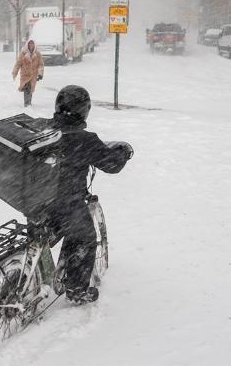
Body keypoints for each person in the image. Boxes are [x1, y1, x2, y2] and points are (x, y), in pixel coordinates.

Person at [45, 85, 133, 304]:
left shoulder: (44, 130)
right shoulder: (84, 140)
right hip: (66, 203)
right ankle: (77, 290)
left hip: (36, 200)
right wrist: (124, 153)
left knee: (52, 232)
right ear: (84, 111)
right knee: (85, 238)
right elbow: (111, 164)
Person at [12, 40, 44, 107]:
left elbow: (41, 64)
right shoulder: (23, 53)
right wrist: (15, 72)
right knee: (26, 88)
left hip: (33, 74)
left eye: (32, 43)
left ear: (34, 45)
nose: (31, 45)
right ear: (27, 45)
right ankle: (27, 103)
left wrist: (40, 74)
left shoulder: (38, 54)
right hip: (25, 74)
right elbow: (18, 63)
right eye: (30, 43)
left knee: (31, 88)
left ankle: (29, 102)